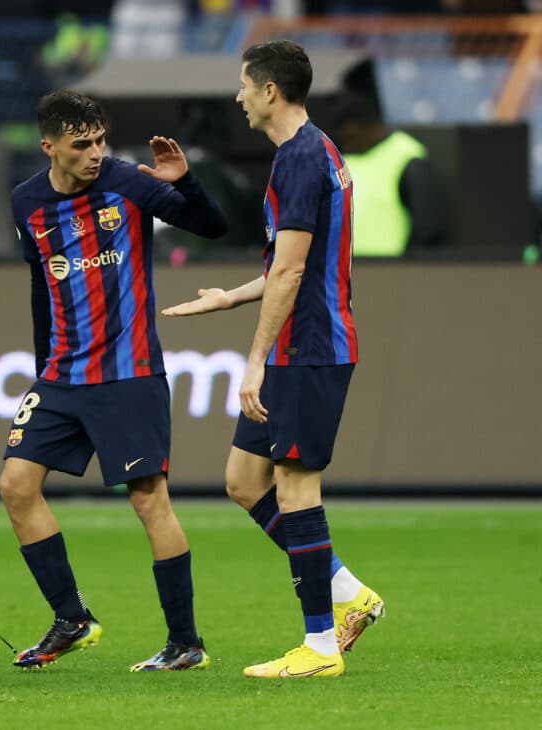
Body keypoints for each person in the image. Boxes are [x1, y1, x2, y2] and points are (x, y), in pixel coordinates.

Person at [163, 41, 384, 678]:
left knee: (294, 489)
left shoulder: (299, 160)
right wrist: (231, 296)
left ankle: (319, 647)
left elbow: (290, 271)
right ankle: (347, 593)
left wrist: (254, 361)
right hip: (305, 343)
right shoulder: (316, 153)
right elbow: (290, 266)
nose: (237, 96)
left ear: (269, 92)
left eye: (242, 85)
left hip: (308, 349)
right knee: (243, 480)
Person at [0, 89, 228, 672]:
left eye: (101, 140)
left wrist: (185, 181)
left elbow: (213, 226)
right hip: (60, 376)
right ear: (49, 147)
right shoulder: (25, 201)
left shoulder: (128, 183)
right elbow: (37, 287)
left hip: (128, 373)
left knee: (149, 499)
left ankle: (186, 643)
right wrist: (43, 361)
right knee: (15, 486)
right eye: (82, 145)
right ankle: (71, 619)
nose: (96, 153)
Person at [333, 92, 444, 257]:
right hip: (338, 273)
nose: (349, 144)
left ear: (374, 127)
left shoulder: (407, 158)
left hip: (392, 272)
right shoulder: (334, 160)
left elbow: (427, 229)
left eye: (353, 137)